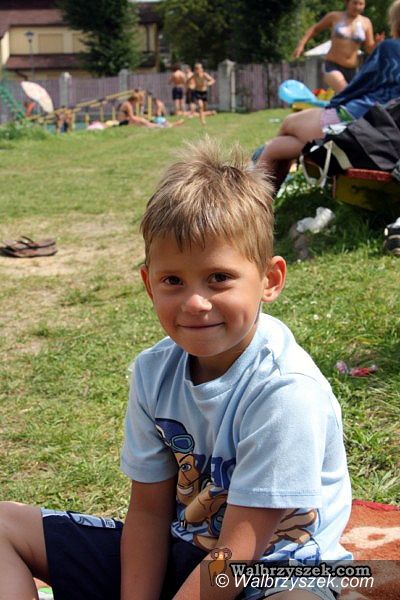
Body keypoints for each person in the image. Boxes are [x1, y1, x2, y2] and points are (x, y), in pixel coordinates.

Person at [0, 138, 352, 600]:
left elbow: (238, 554)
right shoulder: (154, 372)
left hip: (278, 570)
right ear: (149, 285)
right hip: (184, 550)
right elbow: (148, 513)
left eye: (219, 278)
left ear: (270, 280)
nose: (195, 302)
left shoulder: (286, 391)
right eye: (173, 280)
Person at [258, 0, 400, 192]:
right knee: (276, 148)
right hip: (388, 141)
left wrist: (333, 106)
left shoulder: (389, 47)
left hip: (357, 127)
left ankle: (253, 204)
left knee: (289, 123)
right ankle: (259, 199)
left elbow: (359, 86)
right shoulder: (337, 18)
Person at [293, 0, 382, 93]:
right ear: (347, 2)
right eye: (355, 3)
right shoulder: (335, 16)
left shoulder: (366, 22)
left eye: (361, 4)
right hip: (332, 66)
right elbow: (315, 29)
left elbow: (369, 49)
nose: (357, 7)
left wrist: (376, 45)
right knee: (345, 90)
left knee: (355, 96)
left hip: (352, 69)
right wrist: (301, 45)